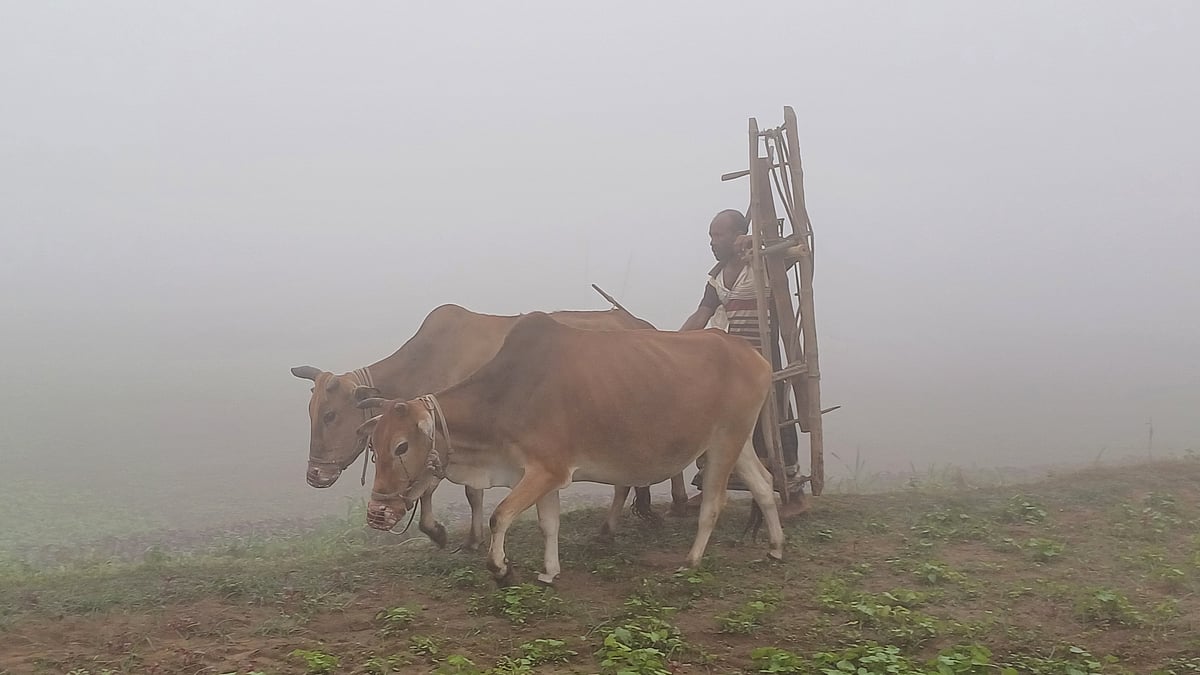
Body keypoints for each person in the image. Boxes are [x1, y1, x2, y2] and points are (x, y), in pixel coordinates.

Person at [678, 209, 805, 513]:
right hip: (727, 365)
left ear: (738, 236)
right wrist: (671, 342)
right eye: (710, 235)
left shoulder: (762, 264)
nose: (712, 241)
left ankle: (794, 494)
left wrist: (759, 243)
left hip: (761, 360)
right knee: (716, 421)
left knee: (773, 421)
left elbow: (800, 249)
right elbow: (702, 314)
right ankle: (710, 488)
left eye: (718, 235)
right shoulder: (717, 276)